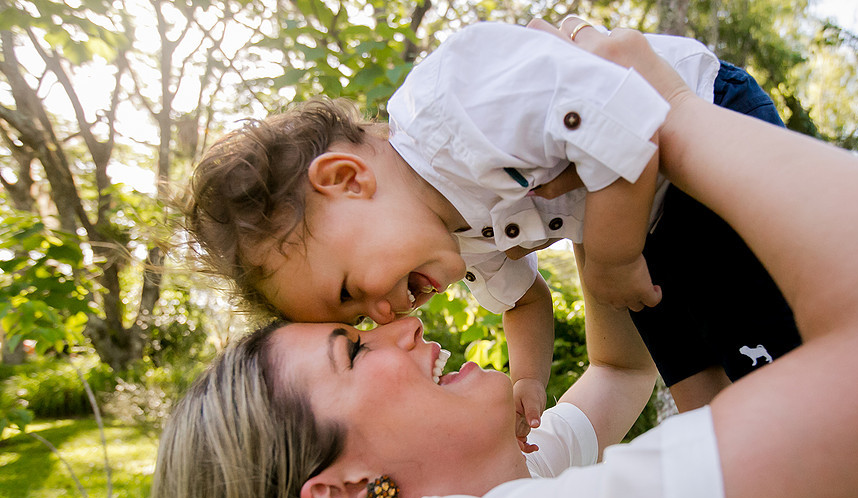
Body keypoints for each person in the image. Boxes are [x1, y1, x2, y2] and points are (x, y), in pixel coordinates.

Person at [152, 18, 858, 498]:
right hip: (666, 149)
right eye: (355, 346)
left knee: (728, 330)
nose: (396, 323)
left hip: (677, 147)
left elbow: (617, 369)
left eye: (353, 320)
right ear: (343, 489)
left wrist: (607, 216)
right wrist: (671, 118)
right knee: (748, 348)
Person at [184, 20, 800, 450]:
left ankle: (819, 448)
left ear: (347, 179)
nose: (385, 314)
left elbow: (627, 112)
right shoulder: (457, 240)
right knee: (691, 374)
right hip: (643, 218)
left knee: (769, 350)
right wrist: (528, 379)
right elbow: (523, 300)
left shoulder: (454, 103)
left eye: (350, 291)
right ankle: (756, 487)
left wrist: (611, 259)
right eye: (361, 318)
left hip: (699, 126)